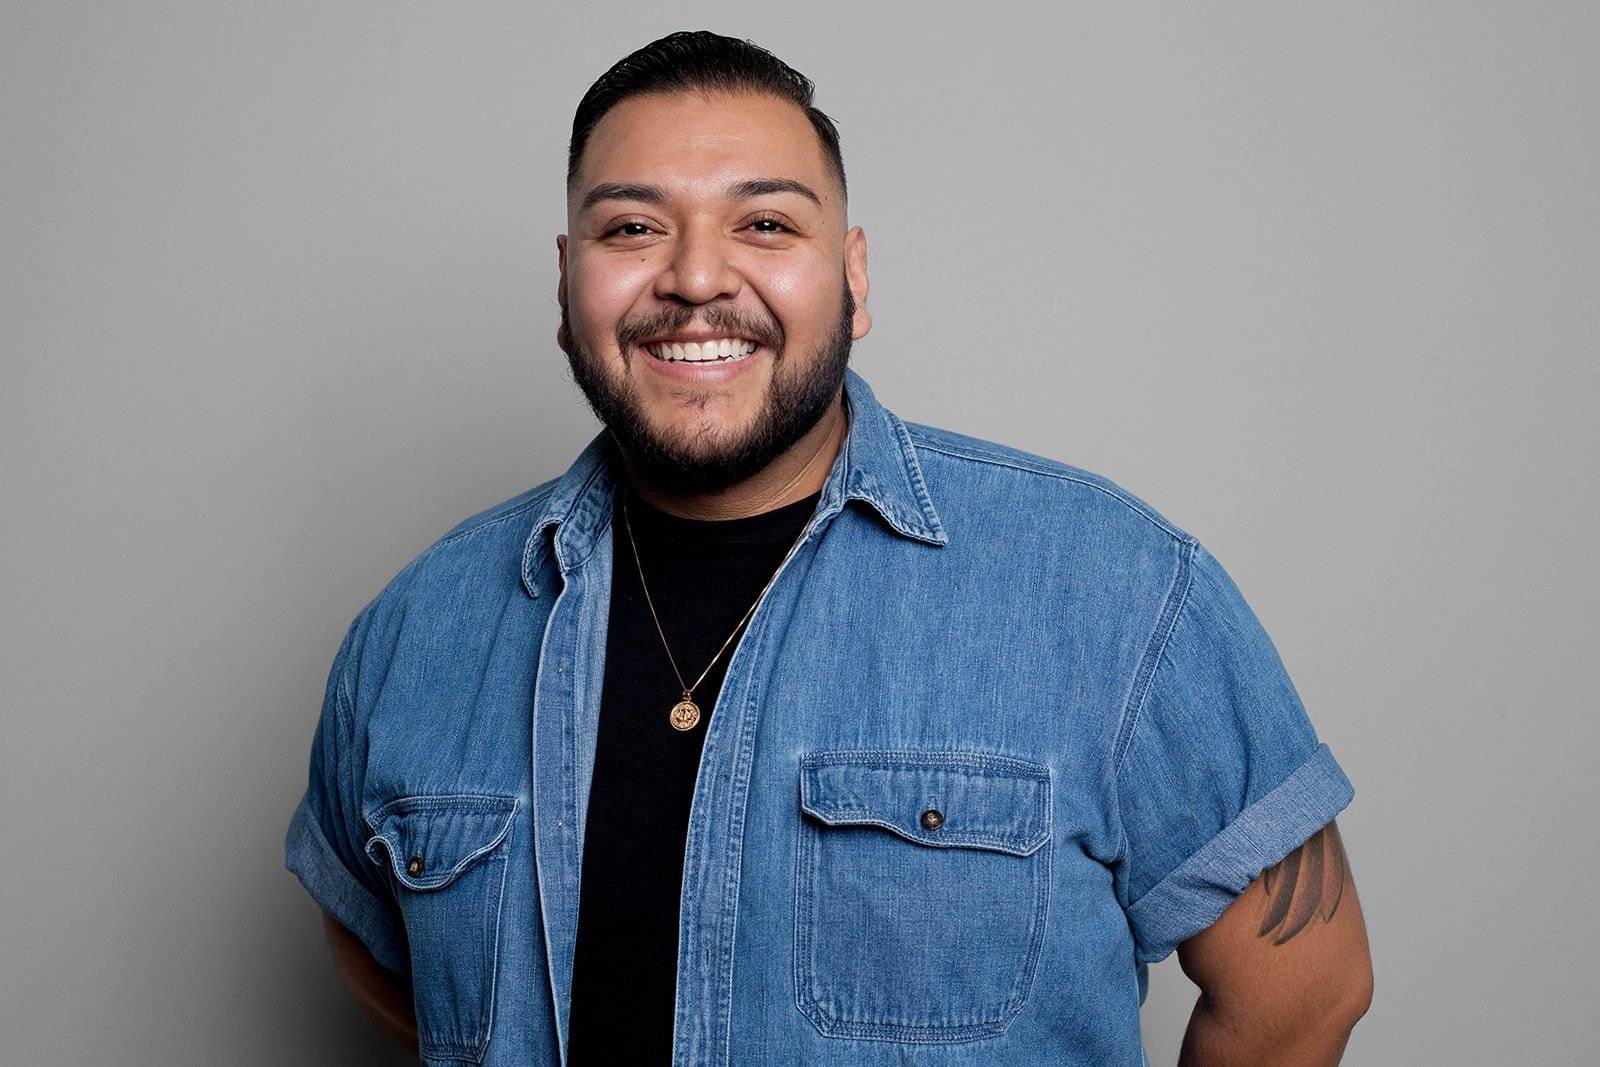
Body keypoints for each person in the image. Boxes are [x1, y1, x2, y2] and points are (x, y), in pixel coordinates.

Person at [285, 29, 1373, 1066]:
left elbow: (1303, 990)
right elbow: (382, 956)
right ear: (567, 285)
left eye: (764, 224)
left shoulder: (1113, 587)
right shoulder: (417, 630)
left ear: (852, 276)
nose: (696, 279)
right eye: (631, 229)